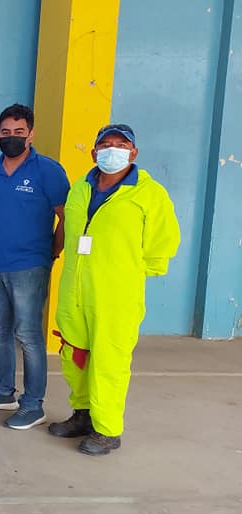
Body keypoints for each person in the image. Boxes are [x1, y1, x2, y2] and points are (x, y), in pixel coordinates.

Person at [50, 124, 179, 455]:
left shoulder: (149, 194)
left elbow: (163, 242)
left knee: (109, 361)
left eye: (121, 145)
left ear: (133, 153)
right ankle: (82, 414)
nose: (113, 150)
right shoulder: (81, 188)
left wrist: (127, 273)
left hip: (116, 294)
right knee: (74, 355)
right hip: (75, 289)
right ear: (94, 152)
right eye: (106, 144)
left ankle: (107, 430)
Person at [0, 104, 70, 430]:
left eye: (18, 132)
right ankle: (3, 392)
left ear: (31, 134)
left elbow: (66, 217)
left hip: (30, 266)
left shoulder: (48, 171)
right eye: (5, 132)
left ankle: (33, 404)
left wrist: (52, 252)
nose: (11, 137)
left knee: (27, 335)